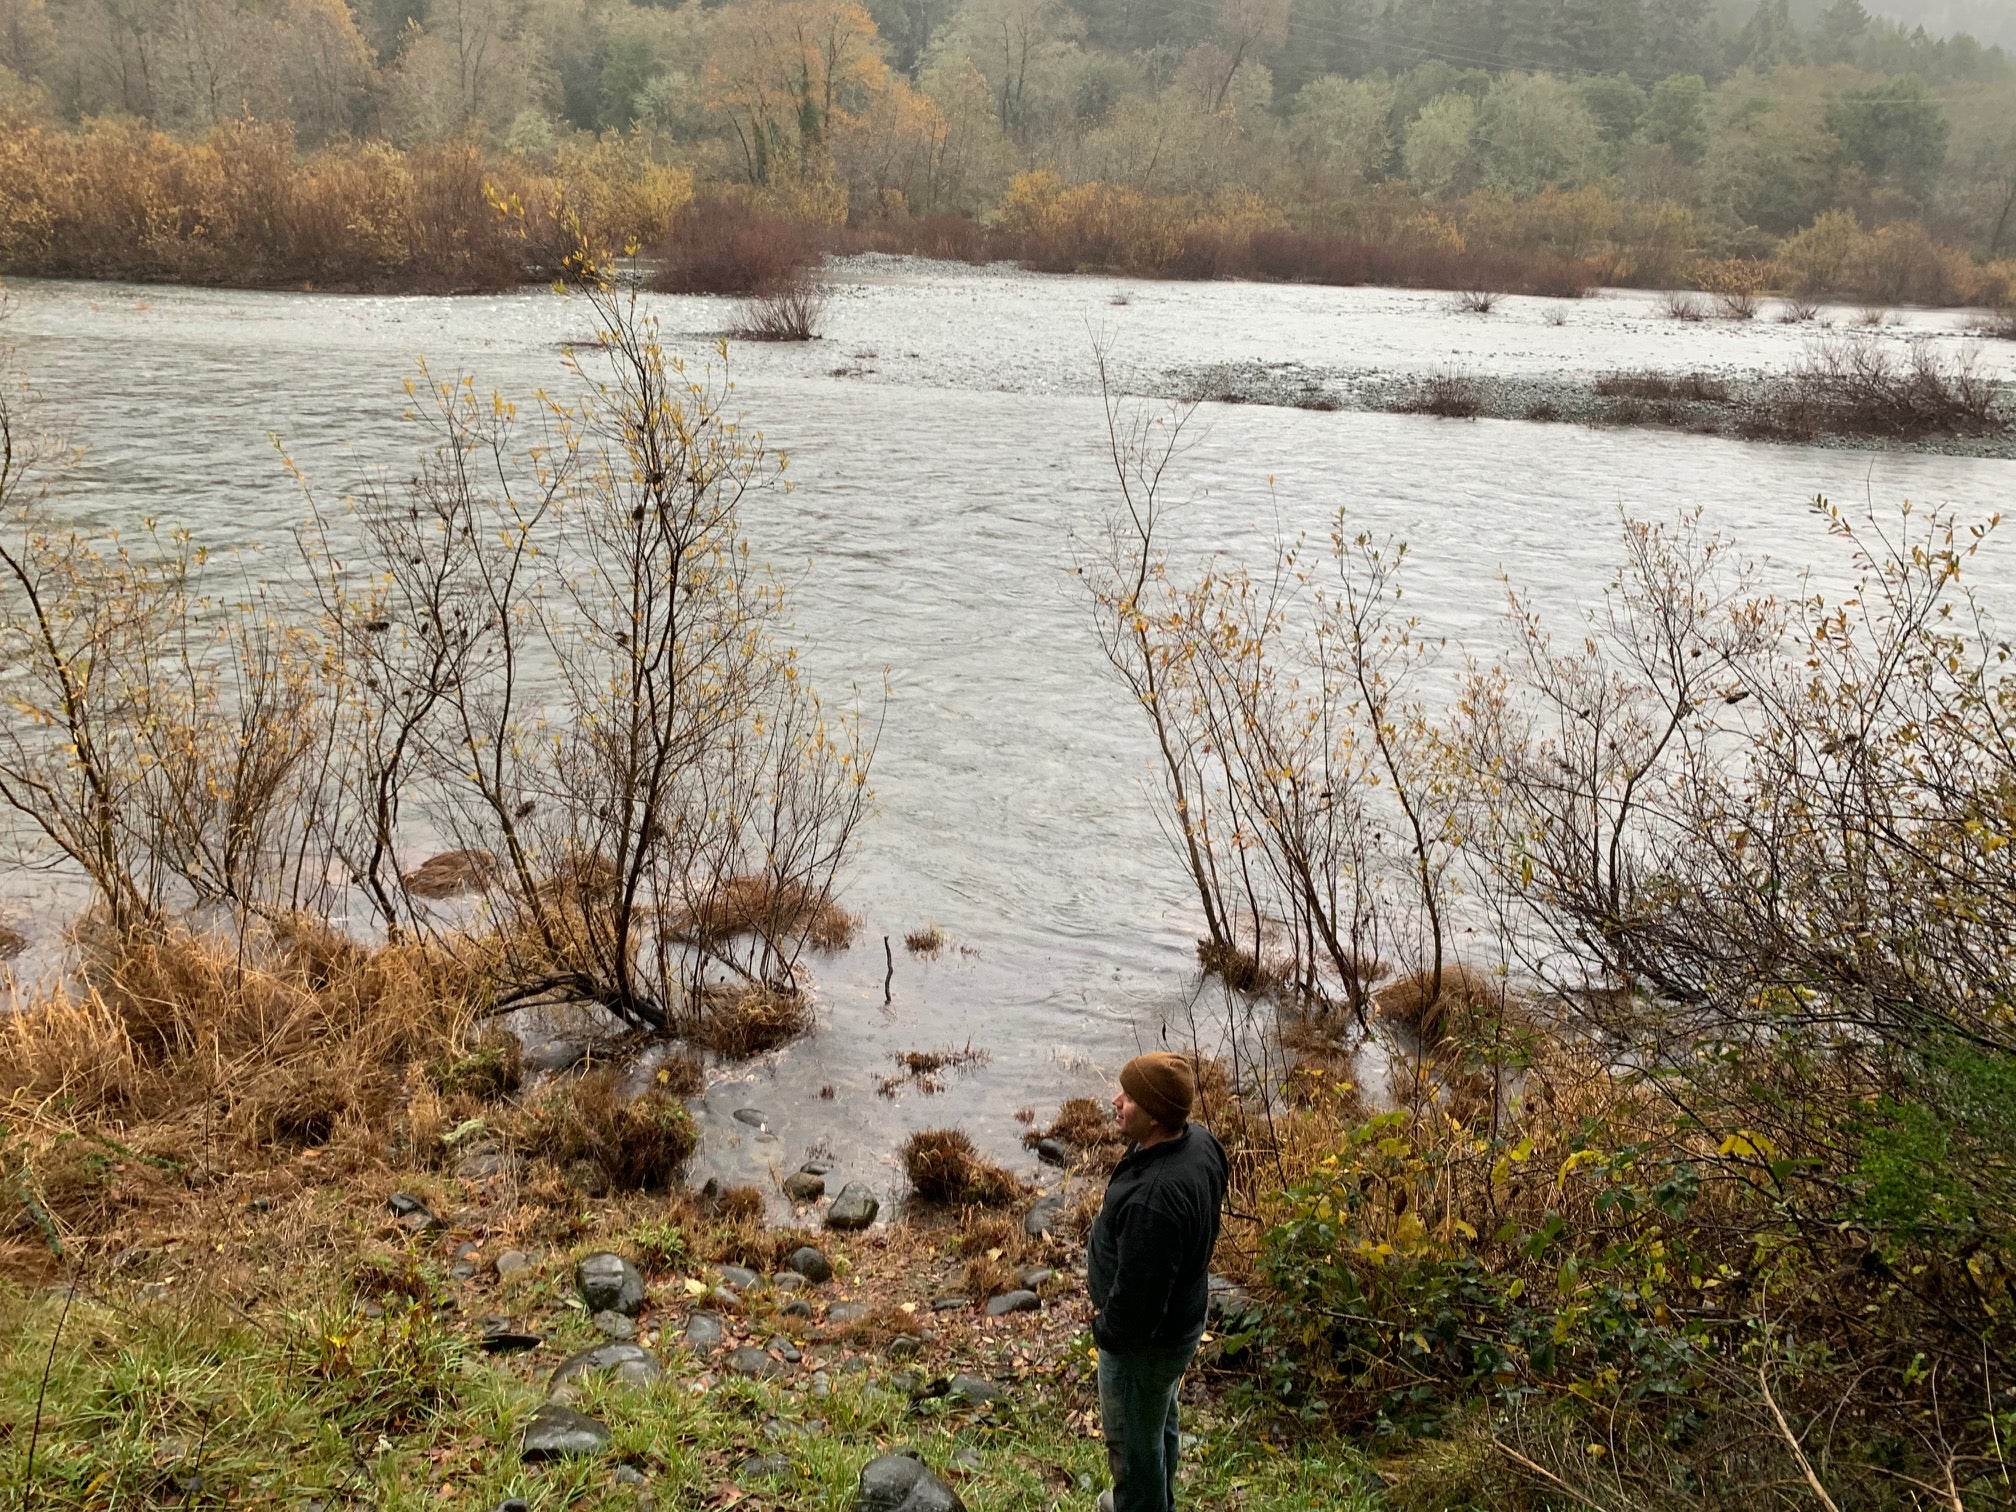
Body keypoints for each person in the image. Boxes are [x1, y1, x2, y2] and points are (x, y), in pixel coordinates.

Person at [1086, 1051, 1228, 1512]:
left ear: (1155, 1115)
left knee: (1131, 1440)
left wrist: (1106, 1331)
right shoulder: (1198, 1143)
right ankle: (1157, 1498)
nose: (1116, 1100)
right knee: (1157, 1415)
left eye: (1129, 1098)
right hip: (1182, 1320)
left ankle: (1141, 1503)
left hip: (1144, 1346)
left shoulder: (1155, 1200)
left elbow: (1139, 1306)